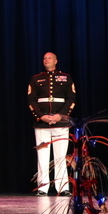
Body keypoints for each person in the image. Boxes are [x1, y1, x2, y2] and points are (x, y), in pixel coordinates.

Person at [27, 52, 75, 196]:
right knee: (42, 156)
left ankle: (63, 187)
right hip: (42, 124)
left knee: (60, 157)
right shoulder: (36, 78)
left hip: (60, 123)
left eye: (49, 58)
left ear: (56, 61)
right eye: (44, 58)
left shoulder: (66, 77)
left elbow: (71, 98)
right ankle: (43, 188)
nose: (46, 60)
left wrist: (60, 115)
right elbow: (31, 100)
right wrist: (41, 116)